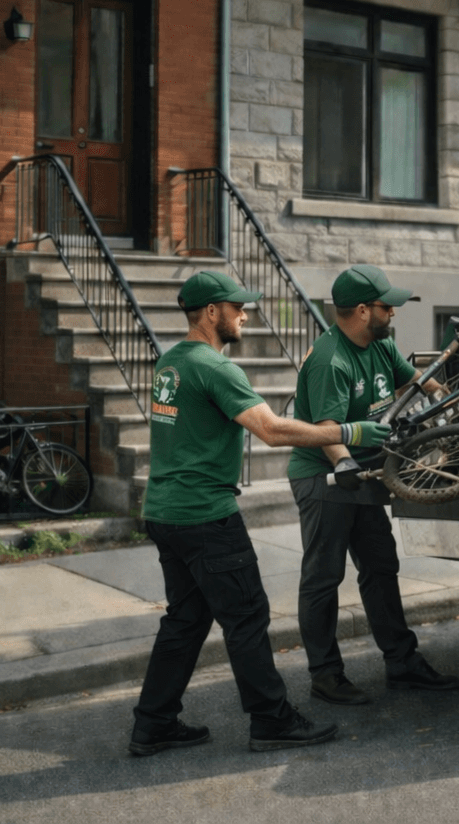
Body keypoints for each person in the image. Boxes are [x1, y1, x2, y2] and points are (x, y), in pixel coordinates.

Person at [131, 270, 392, 756]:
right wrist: (349, 433)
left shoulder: (171, 363)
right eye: (237, 307)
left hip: (165, 511)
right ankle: (272, 720)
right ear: (212, 313)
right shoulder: (214, 367)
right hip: (204, 514)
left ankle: (153, 723)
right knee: (247, 616)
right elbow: (271, 430)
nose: (245, 313)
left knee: (186, 620)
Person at [287, 264, 459, 705]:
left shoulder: (379, 345)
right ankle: (325, 674)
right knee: (324, 577)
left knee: (381, 565)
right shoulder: (332, 359)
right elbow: (327, 430)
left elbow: (415, 381)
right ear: (363, 311)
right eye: (388, 307)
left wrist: (449, 400)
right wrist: (344, 464)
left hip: (365, 475)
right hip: (327, 477)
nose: (394, 314)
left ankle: (402, 662)